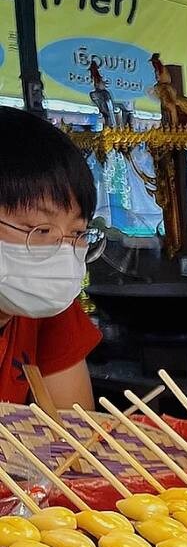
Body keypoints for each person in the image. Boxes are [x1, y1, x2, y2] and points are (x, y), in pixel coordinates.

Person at [0, 107, 102, 407]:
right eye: (40, 230)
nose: (62, 253)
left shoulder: (43, 308)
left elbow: (72, 434)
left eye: (77, 233)